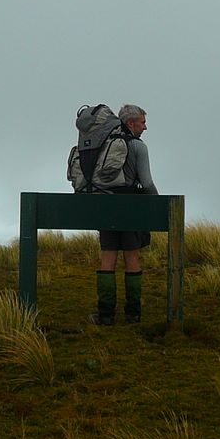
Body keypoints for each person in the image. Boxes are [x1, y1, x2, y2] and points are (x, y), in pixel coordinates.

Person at [92, 104, 158, 325]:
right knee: (132, 258)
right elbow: (146, 183)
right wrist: (158, 203)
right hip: (131, 206)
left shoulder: (105, 143)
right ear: (131, 123)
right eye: (142, 122)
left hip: (106, 206)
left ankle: (106, 315)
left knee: (108, 258)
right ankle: (133, 314)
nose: (145, 127)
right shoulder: (138, 147)